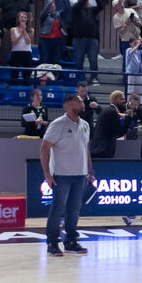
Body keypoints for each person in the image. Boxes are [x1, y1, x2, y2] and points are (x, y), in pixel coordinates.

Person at [40, 94, 95, 257]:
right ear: (68, 105)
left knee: (74, 210)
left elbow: (86, 149)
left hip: (80, 175)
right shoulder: (58, 125)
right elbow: (44, 148)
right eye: (79, 101)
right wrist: (47, 174)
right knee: (57, 209)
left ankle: (71, 241)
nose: (83, 103)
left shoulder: (85, 124)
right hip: (61, 175)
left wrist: (90, 170)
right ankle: (52, 243)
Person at [90, 90, 128, 158]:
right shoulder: (112, 112)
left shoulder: (109, 110)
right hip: (103, 151)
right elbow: (119, 132)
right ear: (115, 99)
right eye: (122, 99)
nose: (124, 101)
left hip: (99, 149)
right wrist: (128, 119)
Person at [8, 12, 35, 83]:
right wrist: (21, 34)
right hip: (16, 52)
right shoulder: (13, 29)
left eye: (25, 17)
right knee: (14, 74)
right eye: (22, 17)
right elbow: (14, 42)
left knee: (27, 74)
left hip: (27, 52)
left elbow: (29, 41)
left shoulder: (31, 30)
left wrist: (24, 31)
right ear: (18, 19)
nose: (23, 19)